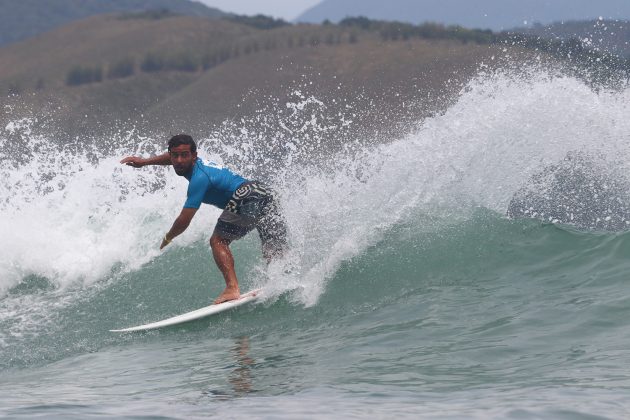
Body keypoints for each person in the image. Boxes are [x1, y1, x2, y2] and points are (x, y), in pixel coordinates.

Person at [121, 134, 287, 304]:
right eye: (174, 155)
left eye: (184, 155)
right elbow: (172, 157)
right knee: (271, 244)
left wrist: (168, 237)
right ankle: (281, 278)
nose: (178, 160)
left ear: (194, 156)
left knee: (218, 241)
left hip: (246, 195)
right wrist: (144, 162)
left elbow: (185, 219)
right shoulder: (187, 161)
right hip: (264, 192)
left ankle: (232, 288)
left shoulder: (199, 179)